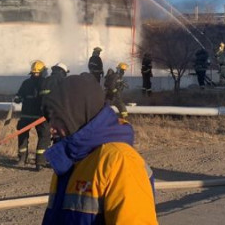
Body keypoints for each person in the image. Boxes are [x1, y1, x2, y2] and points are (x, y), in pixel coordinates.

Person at [41, 73, 157, 224]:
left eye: (57, 119)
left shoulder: (120, 162)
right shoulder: (71, 161)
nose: (51, 128)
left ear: (76, 115)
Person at [14, 60, 51, 170]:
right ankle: (40, 162)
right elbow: (48, 99)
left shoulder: (26, 83)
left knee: (23, 136)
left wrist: (18, 98)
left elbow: (18, 97)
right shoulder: (45, 83)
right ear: (43, 71)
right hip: (40, 117)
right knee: (44, 137)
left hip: (26, 116)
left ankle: (22, 159)